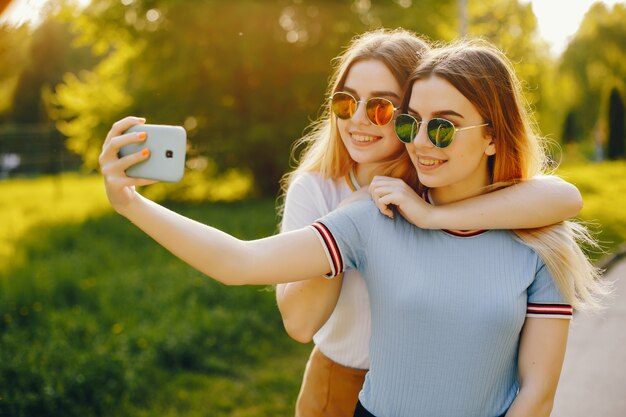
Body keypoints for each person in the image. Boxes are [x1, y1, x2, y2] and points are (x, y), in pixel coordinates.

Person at [99, 39, 608, 417]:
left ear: (492, 138)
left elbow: (537, 394)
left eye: (444, 126)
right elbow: (241, 261)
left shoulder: (541, 237)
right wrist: (132, 205)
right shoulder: (373, 216)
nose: (423, 142)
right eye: (412, 123)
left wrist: (434, 216)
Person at [275, 30, 582, 417]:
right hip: (343, 381)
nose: (357, 119)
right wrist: (349, 225)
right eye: (345, 101)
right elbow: (300, 325)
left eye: (382, 109)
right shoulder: (320, 190)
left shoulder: (440, 181)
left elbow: (565, 199)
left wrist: (432, 215)